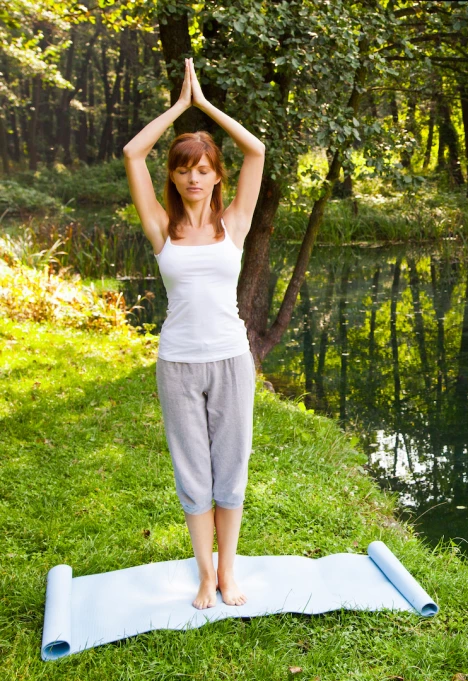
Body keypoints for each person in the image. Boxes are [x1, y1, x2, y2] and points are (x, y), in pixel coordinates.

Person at [123, 58, 265, 610]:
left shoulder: (236, 223)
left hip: (231, 360)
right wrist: (179, 108)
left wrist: (206, 107)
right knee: (192, 474)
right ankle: (204, 574)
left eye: (203, 167)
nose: (193, 177)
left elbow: (256, 151)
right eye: (184, 169)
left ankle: (228, 571)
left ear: (217, 175)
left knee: (231, 468)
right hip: (178, 362)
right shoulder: (162, 227)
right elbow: (134, 154)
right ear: (175, 177)